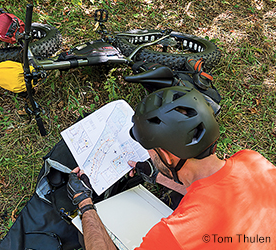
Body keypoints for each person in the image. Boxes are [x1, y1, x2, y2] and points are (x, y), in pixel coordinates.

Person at [67, 86, 276, 250]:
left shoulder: (175, 234)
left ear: (165, 155)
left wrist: (85, 203)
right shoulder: (253, 161)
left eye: (149, 150)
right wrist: (158, 176)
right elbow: (217, 194)